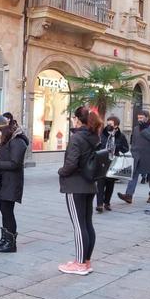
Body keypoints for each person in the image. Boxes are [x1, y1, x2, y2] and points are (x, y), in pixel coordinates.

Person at [57, 107, 103, 275]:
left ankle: (80, 263)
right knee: (87, 223)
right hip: (90, 184)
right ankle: (86, 260)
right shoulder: (94, 136)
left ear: (77, 119)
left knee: (78, 225)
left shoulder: (77, 137)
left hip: (75, 185)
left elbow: (71, 164)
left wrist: (61, 171)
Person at [0, 115, 29, 253]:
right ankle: (5, 239)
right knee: (4, 211)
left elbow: (15, 163)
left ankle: (11, 243)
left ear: (3, 129)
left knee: (8, 212)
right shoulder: (5, 140)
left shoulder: (17, 141)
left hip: (12, 181)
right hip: (4, 180)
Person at [118, 111, 150, 204]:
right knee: (133, 175)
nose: (139, 119)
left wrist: (144, 130)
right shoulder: (136, 128)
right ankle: (129, 195)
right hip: (137, 156)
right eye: (138, 118)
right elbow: (133, 141)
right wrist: (133, 151)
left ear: (147, 117)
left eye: (141, 118)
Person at [96, 116, 129, 212]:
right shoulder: (102, 134)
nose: (108, 125)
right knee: (100, 183)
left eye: (110, 124)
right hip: (102, 161)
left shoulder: (121, 136)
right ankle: (99, 204)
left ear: (116, 125)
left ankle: (107, 202)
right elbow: (97, 145)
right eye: (107, 123)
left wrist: (117, 147)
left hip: (114, 162)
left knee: (110, 184)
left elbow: (126, 149)